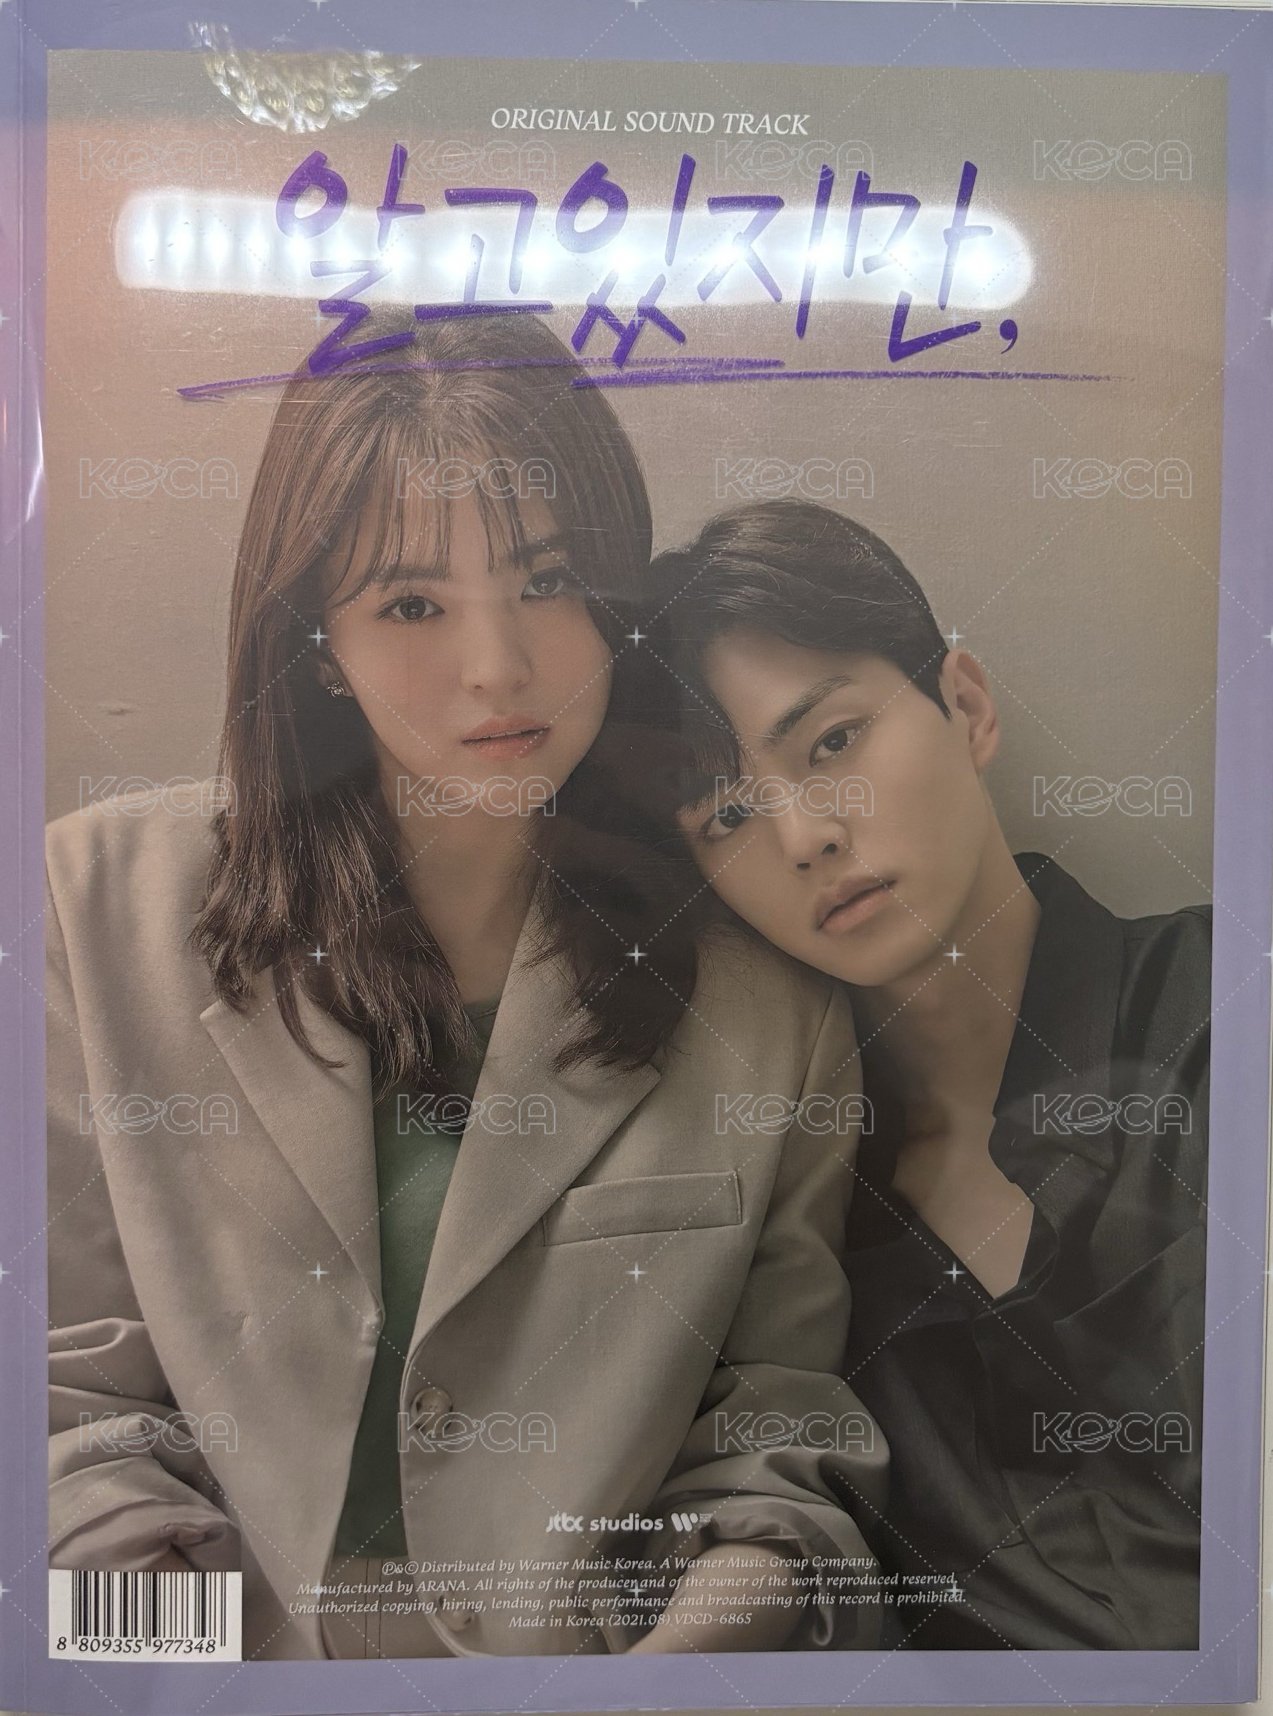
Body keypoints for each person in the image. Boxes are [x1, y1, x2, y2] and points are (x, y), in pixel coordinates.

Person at [45, 317, 886, 1661]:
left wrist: (647, 1694)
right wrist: (198, 1685)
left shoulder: (767, 1005)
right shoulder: (90, 910)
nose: (499, 667)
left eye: (548, 580)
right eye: (411, 604)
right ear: (317, 639)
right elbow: (67, 1411)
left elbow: (772, 1453)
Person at [644, 496, 1210, 1649]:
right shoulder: (778, 1226)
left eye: (831, 743)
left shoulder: (1223, 1014)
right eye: (729, 815)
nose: (805, 836)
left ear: (967, 705)